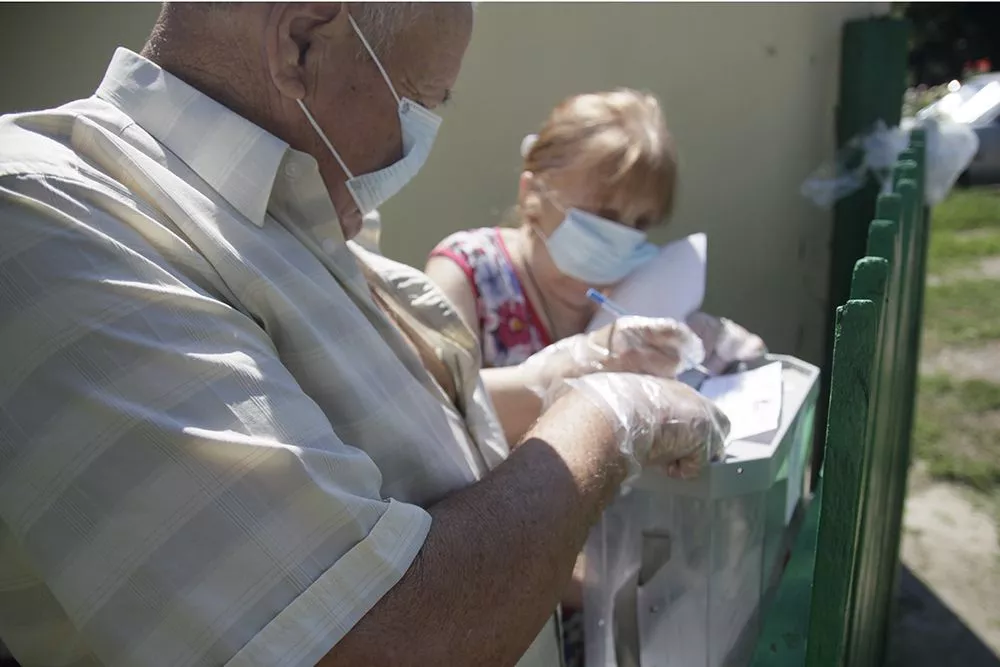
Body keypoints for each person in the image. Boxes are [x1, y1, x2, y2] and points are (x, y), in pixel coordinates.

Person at [0, 4, 729, 666]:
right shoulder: (49, 212)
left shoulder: (298, 218)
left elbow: (407, 446)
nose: (419, 140)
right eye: (422, 101)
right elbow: (361, 640)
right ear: (300, 42)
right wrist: (603, 418)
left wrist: (559, 375)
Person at [425, 88, 767, 666]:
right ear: (533, 193)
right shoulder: (468, 272)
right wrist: (574, 369)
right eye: (605, 216)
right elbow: (436, 414)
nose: (624, 239)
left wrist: (712, 348)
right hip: (500, 594)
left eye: (642, 223)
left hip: (616, 596)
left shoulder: (632, 289)